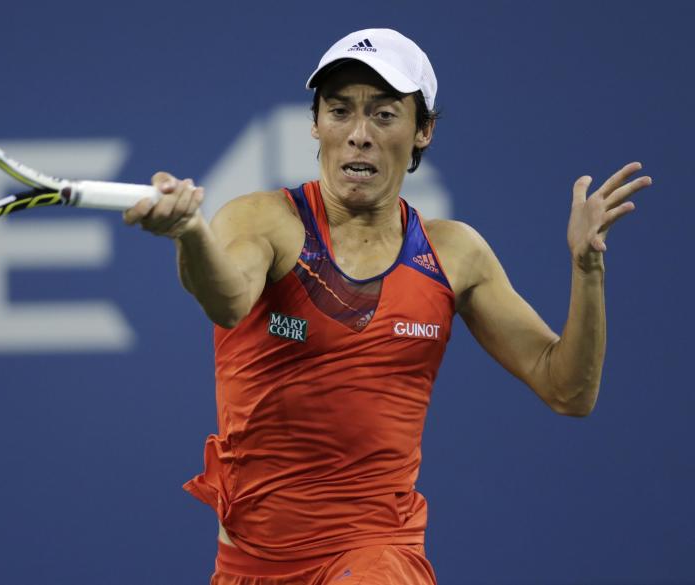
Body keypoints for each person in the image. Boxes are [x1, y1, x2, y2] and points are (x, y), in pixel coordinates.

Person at [123, 28, 652, 585]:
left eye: (382, 115)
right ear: (315, 124)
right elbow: (227, 298)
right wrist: (190, 234)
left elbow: (568, 389)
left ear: (422, 131)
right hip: (248, 565)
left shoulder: (454, 254)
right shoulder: (264, 221)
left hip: (378, 555)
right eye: (340, 111)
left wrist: (586, 269)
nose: (358, 135)